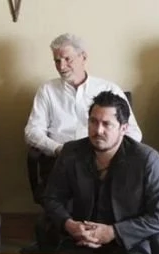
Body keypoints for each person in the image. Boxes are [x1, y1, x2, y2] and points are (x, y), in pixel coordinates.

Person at [41, 91, 159, 254]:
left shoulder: (145, 159)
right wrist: (69, 225)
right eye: (93, 122)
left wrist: (113, 232)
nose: (98, 130)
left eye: (107, 124)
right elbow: (51, 198)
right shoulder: (71, 152)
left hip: (129, 244)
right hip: (81, 239)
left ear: (123, 128)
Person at [24, 33, 142, 200]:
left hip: (104, 160)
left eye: (67, 59)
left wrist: (109, 153)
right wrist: (58, 149)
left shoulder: (108, 89)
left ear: (83, 57)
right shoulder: (47, 90)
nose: (61, 66)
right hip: (62, 160)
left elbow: (134, 133)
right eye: (57, 61)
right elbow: (32, 131)